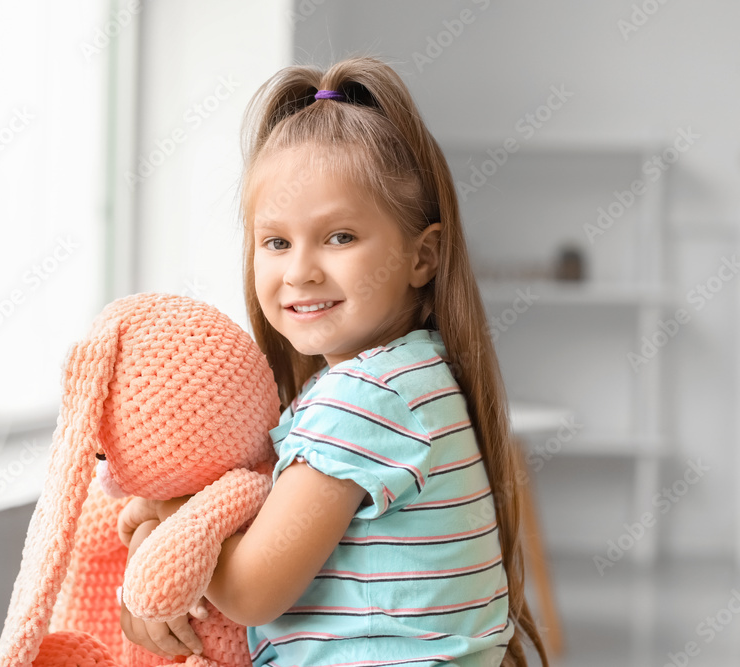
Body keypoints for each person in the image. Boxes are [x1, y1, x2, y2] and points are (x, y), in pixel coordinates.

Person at [118, 55, 549, 667]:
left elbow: (250, 591)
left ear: (422, 258)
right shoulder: (416, 375)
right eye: (276, 242)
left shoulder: (363, 399)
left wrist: (173, 511)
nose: (300, 270)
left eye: (340, 237)